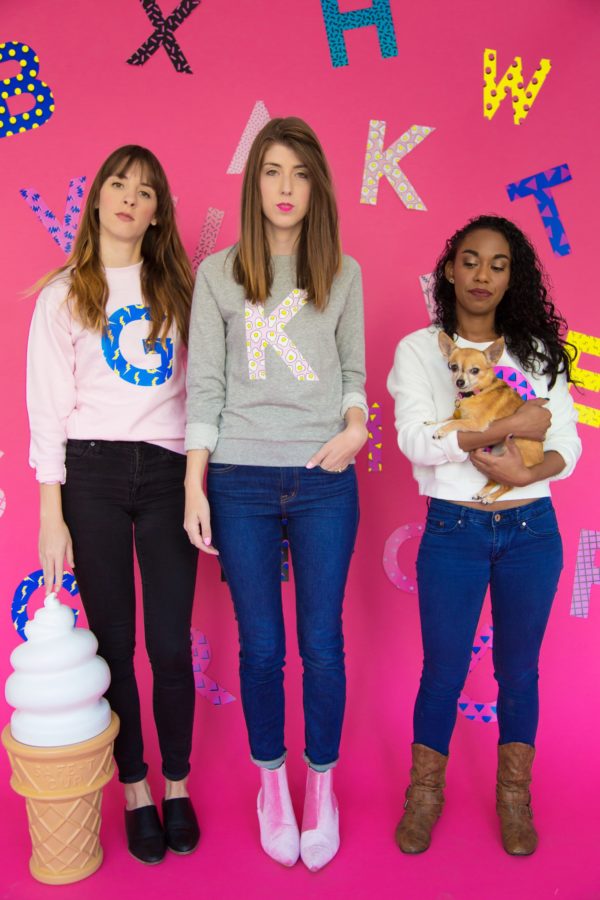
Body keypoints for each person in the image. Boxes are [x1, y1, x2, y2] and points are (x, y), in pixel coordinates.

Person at [184, 117, 367, 871]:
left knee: (321, 643)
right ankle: (271, 784)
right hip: (239, 479)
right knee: (262, 646)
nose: (285, 187)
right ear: (253, 181)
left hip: (325, 477)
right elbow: (205, 388)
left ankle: (320, 785)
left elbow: (354, 376)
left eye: (298, 172)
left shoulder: (344, 272)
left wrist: (357, 427)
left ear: (316, 184)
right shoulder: (218, 275)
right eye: (271, 171)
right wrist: (195, 483)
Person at [27, 146, 200, 865]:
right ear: (97, 198)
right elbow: (48, 410)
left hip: (166, 472)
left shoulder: (181, 292)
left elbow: (202, 395)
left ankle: (178, 785)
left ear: (158, 212)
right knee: (114, 647)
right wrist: (50, 512)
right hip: (91, 475)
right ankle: (134, 788)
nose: (131, 197)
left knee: (168, 645)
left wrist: (199, 481)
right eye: (119, 185)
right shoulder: (64, 295)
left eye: (146, 190)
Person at [387, 215, 581, 856]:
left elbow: (566, 447)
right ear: (450, 269)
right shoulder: (420, 351)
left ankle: (514, 799)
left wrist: (527, 464)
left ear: (512, 276)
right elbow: (416, 439)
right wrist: (504, 427)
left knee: (518, 672)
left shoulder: (536, 353)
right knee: (442, 671)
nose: (482, 275)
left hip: (531, 527)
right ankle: (424, 796)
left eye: (498, 265)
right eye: (470, 261)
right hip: (454, 527)